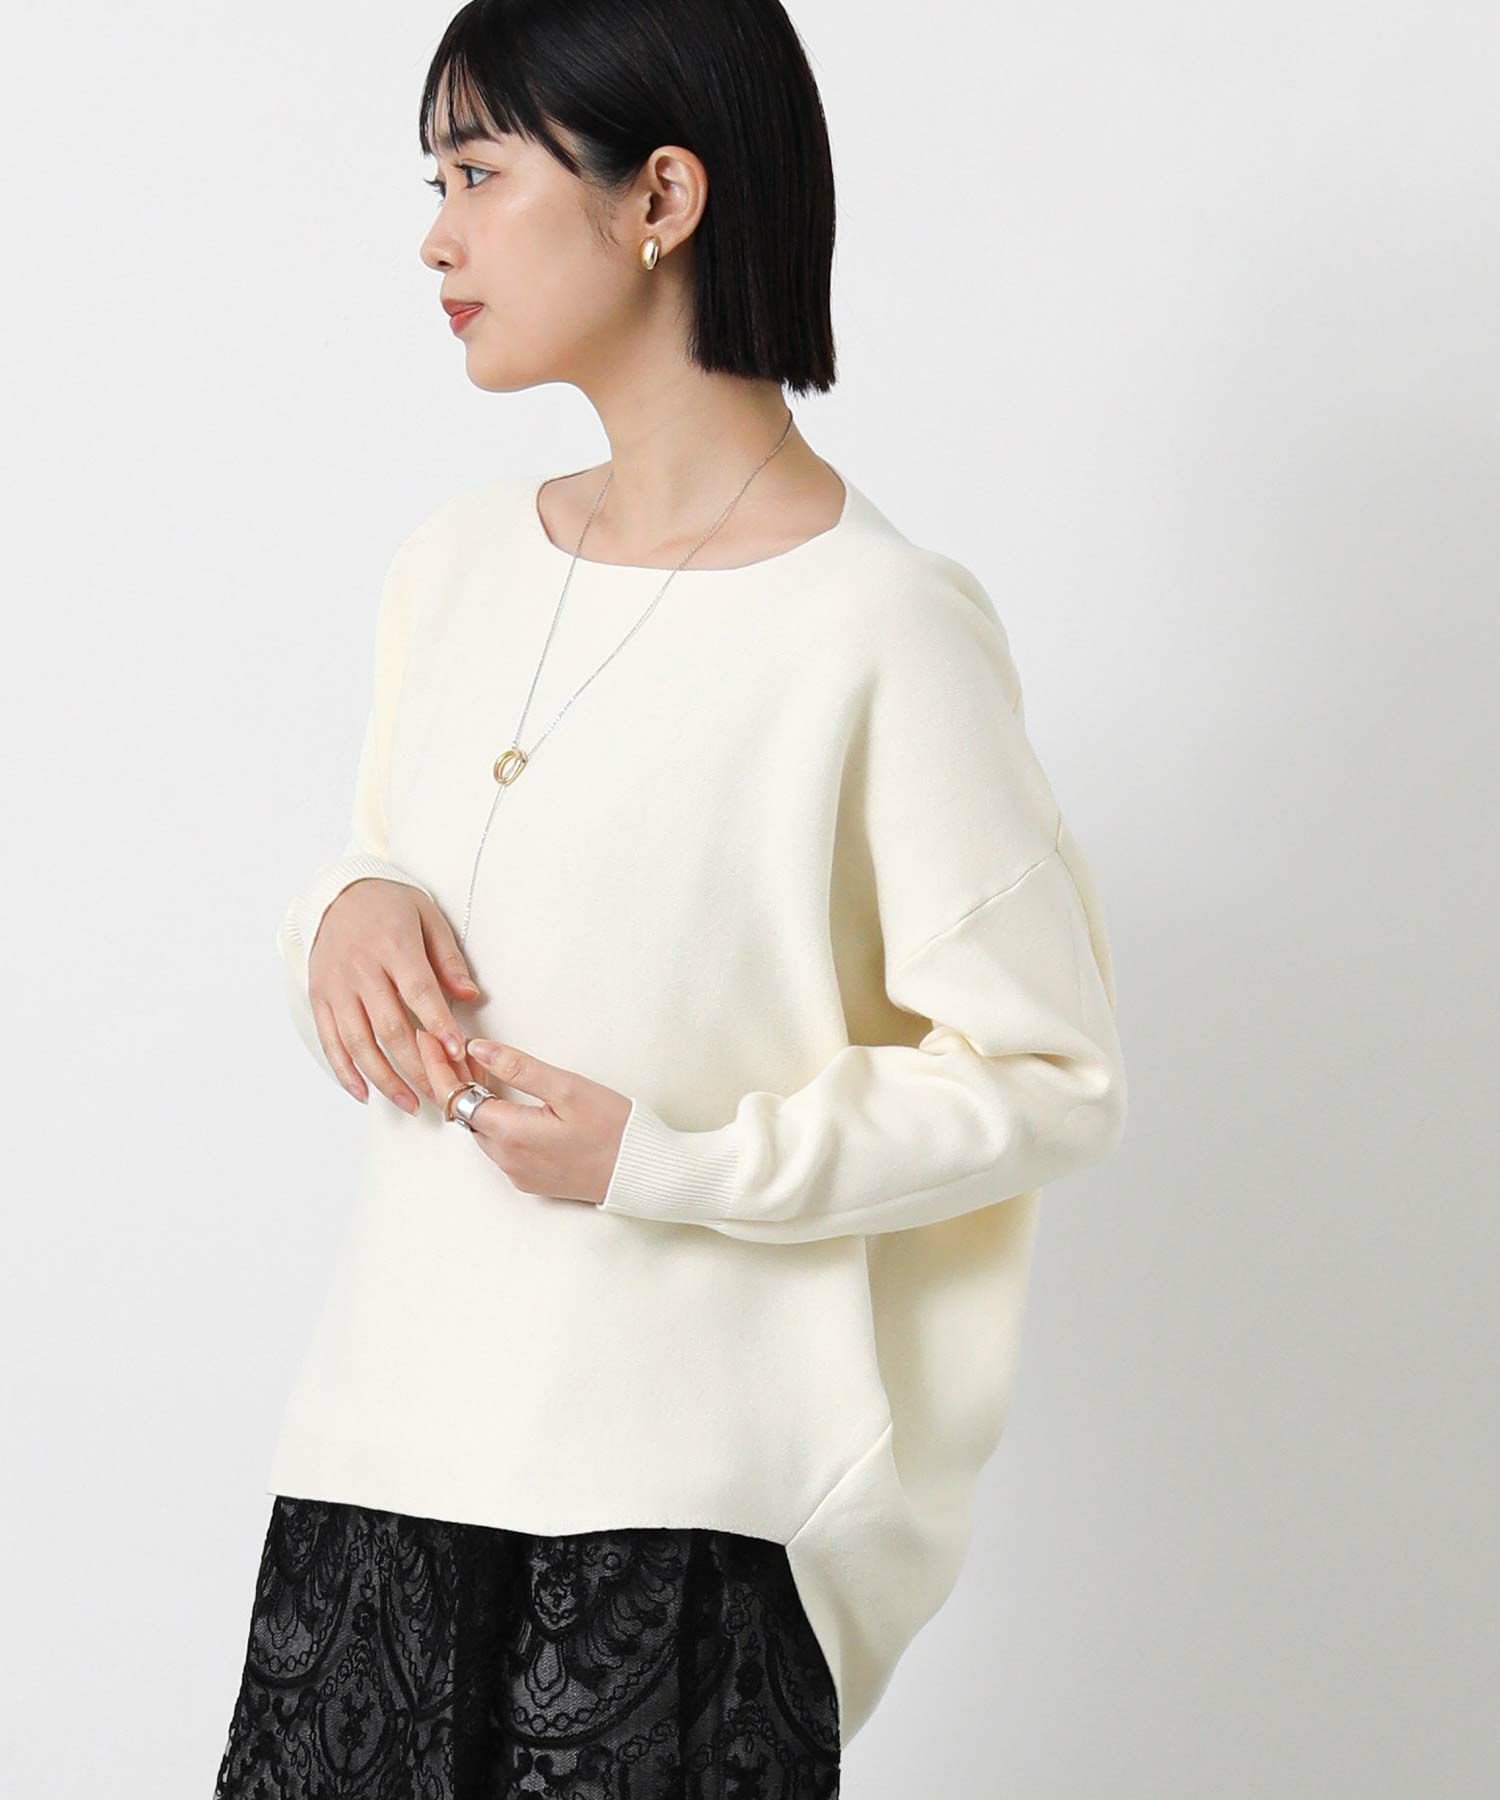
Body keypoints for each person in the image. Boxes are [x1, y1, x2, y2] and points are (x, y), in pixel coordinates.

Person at [214, 1, 1129, 1794]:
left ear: (661, 198)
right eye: (434, 183)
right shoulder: (454, 566)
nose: (437, 237)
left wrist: (673, 1164)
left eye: (478, 175)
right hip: (382, 1468)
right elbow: (419, 867)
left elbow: (1051, 1077)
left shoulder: (882, 624)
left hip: (682, 1516)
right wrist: (342, 904)